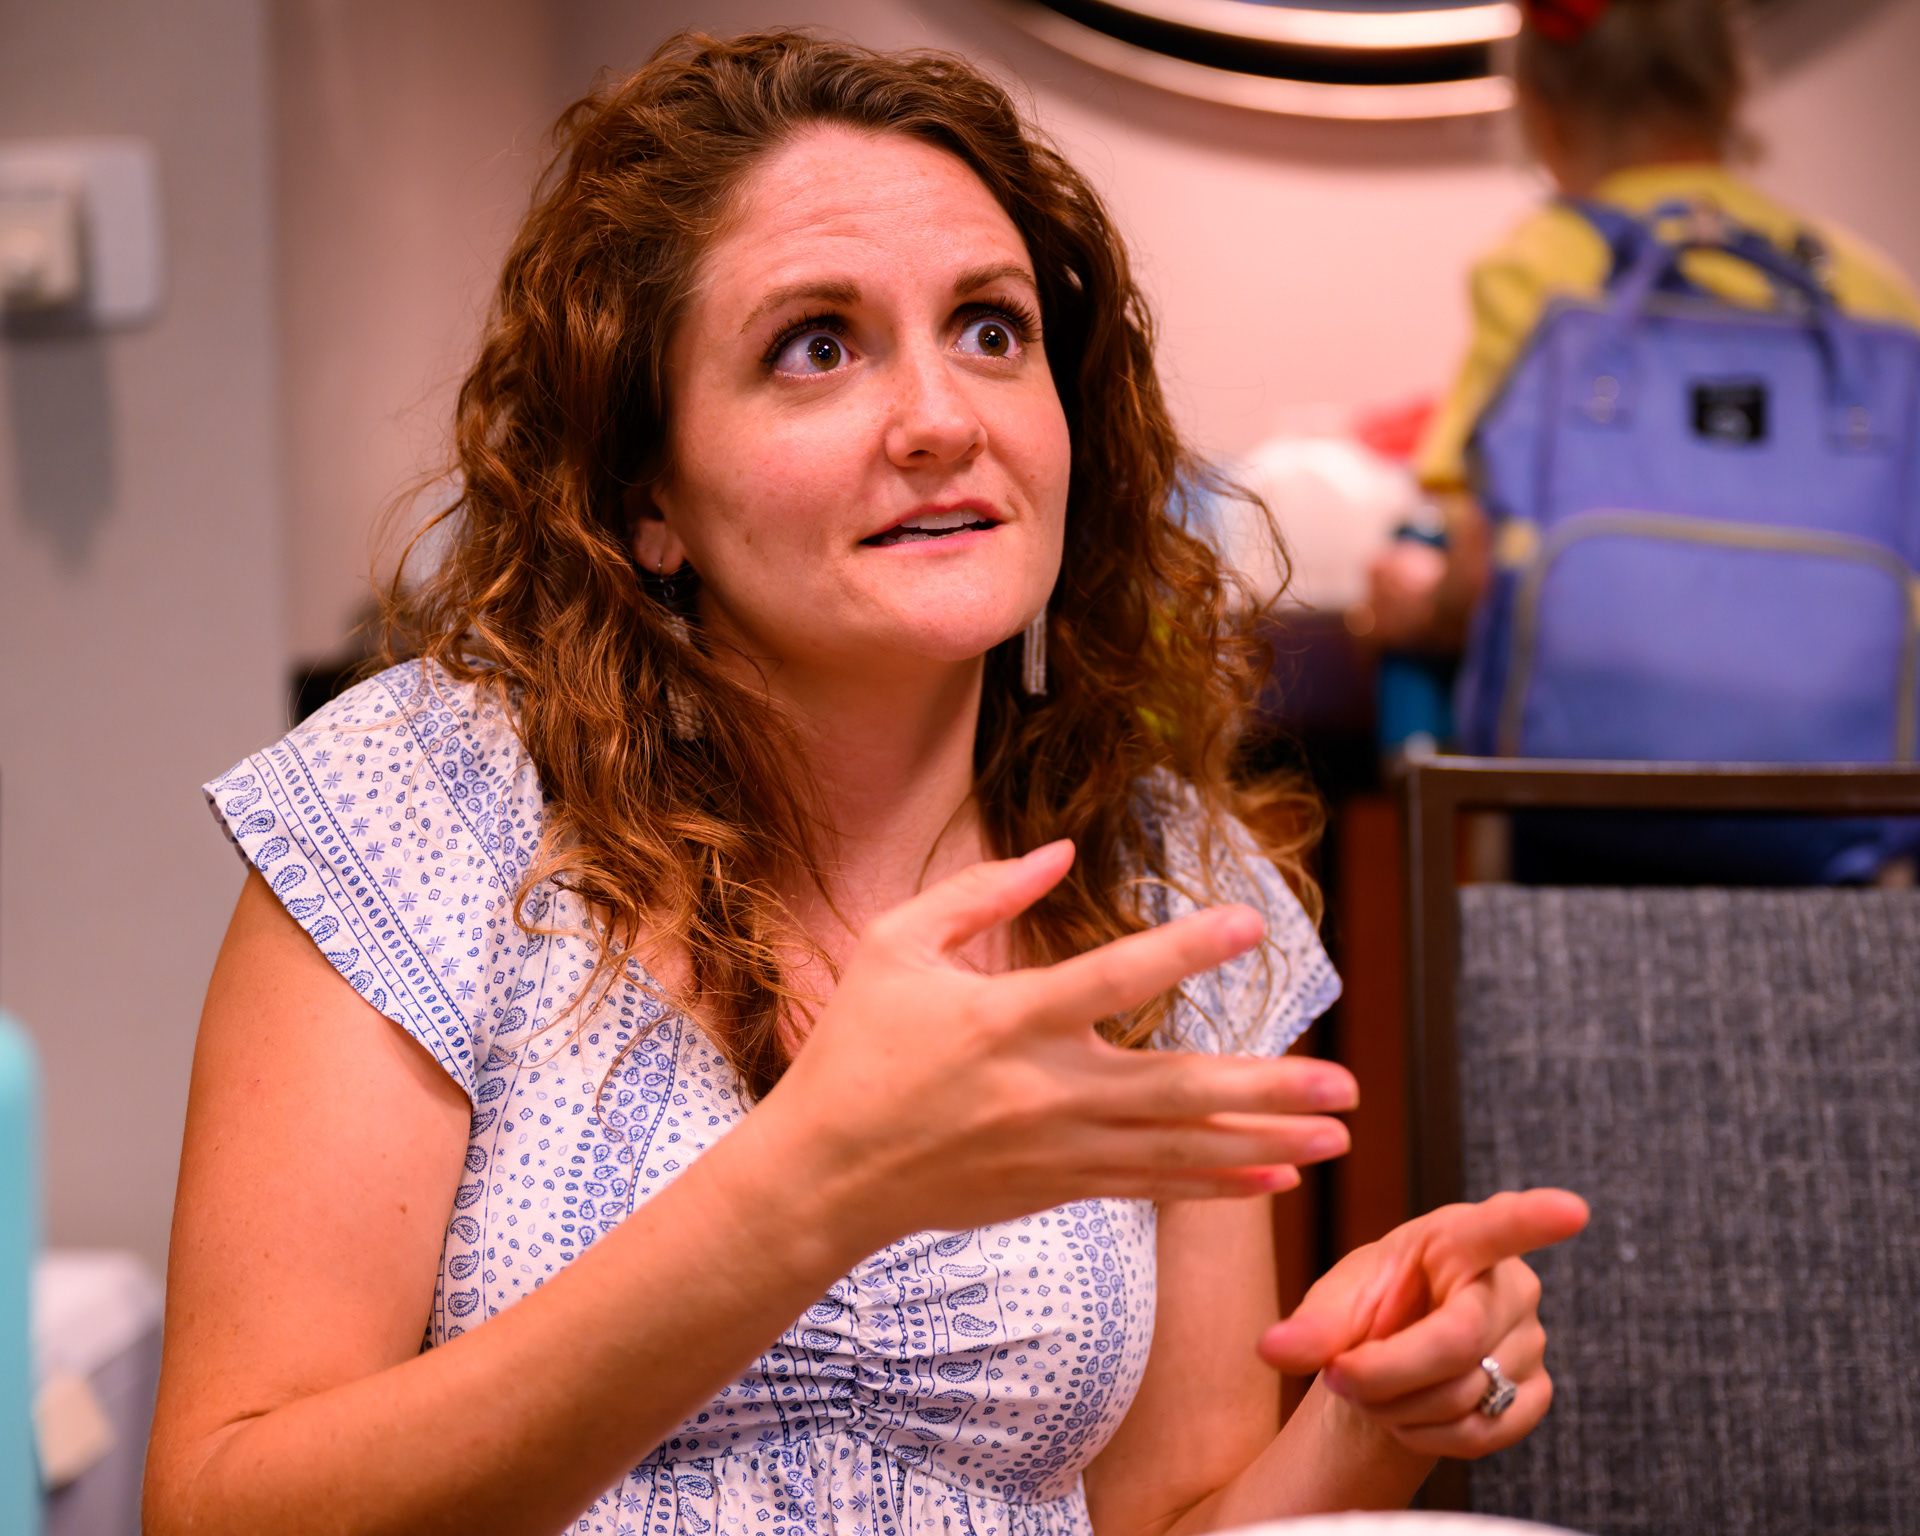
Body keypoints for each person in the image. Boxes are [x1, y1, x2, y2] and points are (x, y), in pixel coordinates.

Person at [145, 32, 1586, 1536]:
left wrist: (1370, 1421)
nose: (944, 420)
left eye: (990, 329)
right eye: (817, 347)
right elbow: (220, 1511)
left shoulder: (1166, 881)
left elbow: (1169, 1517)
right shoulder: (420, 808)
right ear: (648, 496)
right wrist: (809, 1187)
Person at [1366, 0, 1920, 654]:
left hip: (1604, 707)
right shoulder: (1866, 284)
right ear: (1732, 89)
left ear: (1539, 107)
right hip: (1855, 709)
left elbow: (1483, 574)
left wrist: (1417, 604)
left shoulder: (1534, 267)